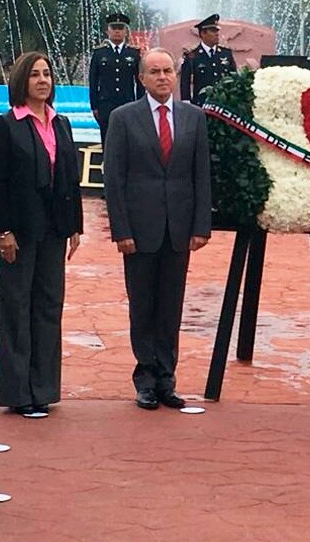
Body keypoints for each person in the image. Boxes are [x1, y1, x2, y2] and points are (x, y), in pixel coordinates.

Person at [103, 47, 212, 410]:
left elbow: (201, 176)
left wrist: (201, 226)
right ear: (142, 79)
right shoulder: (123, 118)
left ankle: (167, 378)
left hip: (178, 228)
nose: (163, 77)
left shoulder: (194, 118)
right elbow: (114, 179)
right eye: (155, 72)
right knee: (143, 305)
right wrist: (121, 230)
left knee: (170, 307)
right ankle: (145, 378)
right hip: (139, 228)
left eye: (168, 71)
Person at [0, 51, 84, 416]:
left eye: (47, 74)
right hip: (19, 232)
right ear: (21, 82)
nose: (43, 80)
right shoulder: (6, 125)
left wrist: (75, 225)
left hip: (54, 230)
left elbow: (69, 179)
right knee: (16, 307)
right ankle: (18, 392)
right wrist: (2, 231)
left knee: (48, 305)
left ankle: (43, 388)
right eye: (35, 75)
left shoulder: (62, 123)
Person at [88, 12, 142, 151]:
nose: (117, 31)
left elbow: (140, 81)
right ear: (108, 31)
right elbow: (93, 81)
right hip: (106, 104)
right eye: (114, 28)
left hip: (127, 102)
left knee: (128, 141)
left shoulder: (133, 53)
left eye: (120, 28)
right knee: (107, 141)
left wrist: (140, 104)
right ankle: (107, 169)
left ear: (126, 31)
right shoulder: (99, 53)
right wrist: (94, 106)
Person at [179, 13, 236, 104]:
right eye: (213, 31)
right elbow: (185, 82)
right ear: (203, 33)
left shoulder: (226, 54)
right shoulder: (192, 56)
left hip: (223, 106)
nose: (217, 34)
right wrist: (186, 103)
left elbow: (234, 78)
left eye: (217, 31)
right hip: (201, 106)